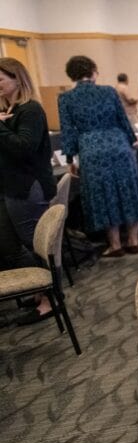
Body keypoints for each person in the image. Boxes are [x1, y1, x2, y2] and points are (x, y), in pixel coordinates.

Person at [58, 55, 138, 257]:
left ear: (71, 75)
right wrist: (131, 140)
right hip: (118, 145)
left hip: (91, 149)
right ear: (93, 71)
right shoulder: (109, 91)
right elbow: (123, 119)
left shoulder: (66, 98)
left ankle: (115, 245)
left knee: (103, 194)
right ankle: (133, 241)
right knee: (127, 190)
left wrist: (71, 159)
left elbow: (68, 131)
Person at [0, 58, 58, 325]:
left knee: (31, 243)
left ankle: (49, 299)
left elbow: (24, 147)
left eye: (1, 79)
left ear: (17, 79)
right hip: (9, 187)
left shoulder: (30, 110)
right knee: (9, 246)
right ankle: (38, 291)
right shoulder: (9, 110)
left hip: (26, 187)